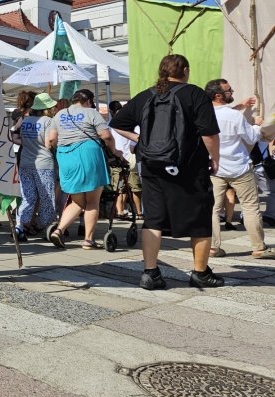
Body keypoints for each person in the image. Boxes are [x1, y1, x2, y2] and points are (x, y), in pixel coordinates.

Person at [110, 54, 223, 290]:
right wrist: (215, 158)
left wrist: (141, 140)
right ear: (186, 70)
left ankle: (150, 273)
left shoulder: (146, 95)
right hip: (189, 167)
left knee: (153, 219)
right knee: (201, 217)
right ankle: (200, 273)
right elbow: (209, 133)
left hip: (152, 166)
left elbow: (118, 124)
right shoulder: (194, 94)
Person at [45, 89, 122, 250]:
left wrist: (58, 150)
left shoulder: (59, 115)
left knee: (77, 201)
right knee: (92, 201)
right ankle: (88, 240)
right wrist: (115, 152)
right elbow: (106, 136)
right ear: (88, 101)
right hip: (88, 155)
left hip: (66, 157)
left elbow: (51, 139)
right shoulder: (91, 113)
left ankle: (59, 230)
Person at [204, 79, 271, 258]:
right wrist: (257, 124)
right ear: (218, 95)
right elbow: (251, 138)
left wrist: (240, 106)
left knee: (213, 209)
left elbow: (221, 117)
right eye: (229, 91)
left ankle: (212, 247)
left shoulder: (204, 113)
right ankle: (258, 247)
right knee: (250, 207)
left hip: (214, 167)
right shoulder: (234, 116)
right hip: (239, 166)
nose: (232, 93)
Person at [15, 92, 60, 244]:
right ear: (47, 108)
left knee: (28, 197)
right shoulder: (48, 121)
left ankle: (20, 226)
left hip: (25, 163)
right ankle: (46, 226)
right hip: (44, 164)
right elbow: (49, 143)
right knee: (47, 197)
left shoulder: (26, 120)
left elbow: (19, 138)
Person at [108, 100, 143, 220]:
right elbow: (135, 143)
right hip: (130, 158)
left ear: (110, 111)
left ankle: (120, 211)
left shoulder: (110, 124)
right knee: (135, 188)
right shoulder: (133, 124)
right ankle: (139, 213)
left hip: (116, 158)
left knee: (119, 188)